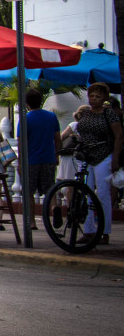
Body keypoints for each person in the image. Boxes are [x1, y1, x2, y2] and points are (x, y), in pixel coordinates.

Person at [72, 82, 123, 244]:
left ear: (105, 98)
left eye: (98, 96)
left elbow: (119, 136)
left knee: (102, 195)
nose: (94, 99)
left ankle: (104, 232)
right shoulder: (86, 113)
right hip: (86, 157)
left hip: (103, 156)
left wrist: (115, 158)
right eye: (92, 95)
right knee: (86, 194)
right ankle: (88, 231)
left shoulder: (109, 114)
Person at [18, 88, 61, 202]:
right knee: (50, 190)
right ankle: (54, 209)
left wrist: (20, 163)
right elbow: (57, 138)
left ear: (26, 103)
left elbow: (21, 143)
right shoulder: (51, 117)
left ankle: (31, 220)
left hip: (31, 160)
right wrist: (56, 155)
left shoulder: (25, 119)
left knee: (29, 192)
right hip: (48, 158)